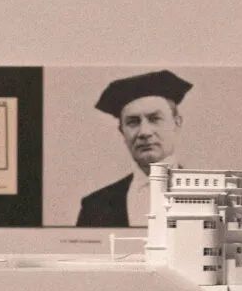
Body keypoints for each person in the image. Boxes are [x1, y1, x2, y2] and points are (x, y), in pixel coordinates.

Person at [77, 70, 192, 227]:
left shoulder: (212, 194)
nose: (144, 132)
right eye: (133, 122)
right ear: (122, 132)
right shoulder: (95, 206)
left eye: (155, 119)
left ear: (176, 124)